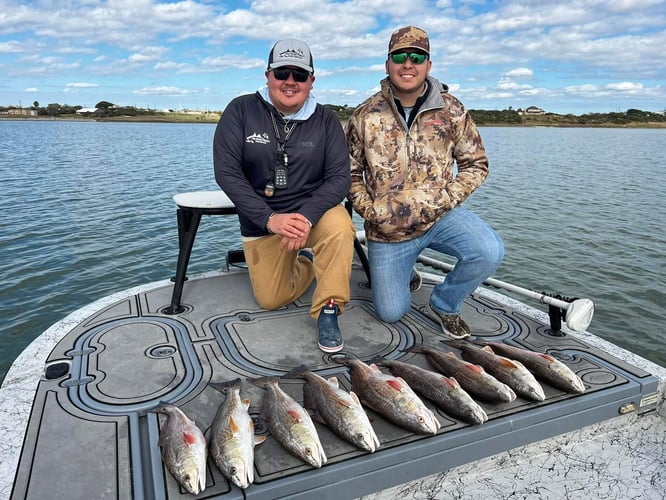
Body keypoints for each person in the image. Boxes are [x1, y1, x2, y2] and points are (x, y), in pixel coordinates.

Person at [346, 26, 504, 339]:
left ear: (428, 65)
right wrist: (371, 211)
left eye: (417, 56)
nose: (408, 63)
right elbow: (348, 173)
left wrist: (445, 199)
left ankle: (445, 304)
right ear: (387, 64)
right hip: (388, 230)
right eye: (399, 56)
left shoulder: (453, 109)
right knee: (390, 313)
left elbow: (476, 165)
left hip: (440, 217)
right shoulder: (364, 114)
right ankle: (405, 272)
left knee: (489, 250)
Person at [213, 38, 355, 353]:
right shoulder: (241, 110)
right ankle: (306, 259)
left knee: (341, 226)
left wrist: (305, 217)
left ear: (311, 81)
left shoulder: (327, 120)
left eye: (299, 75)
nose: (290, 82)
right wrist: (270, 219)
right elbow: (227, 173)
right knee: (270, 299)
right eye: (282, 73)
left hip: (313, 215)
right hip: (263, 221)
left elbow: (339, 178)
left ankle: (329, 309)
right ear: (268, 75)